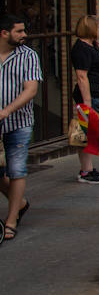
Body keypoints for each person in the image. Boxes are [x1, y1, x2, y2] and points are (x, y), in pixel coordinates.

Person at [0, 14, 41, 246]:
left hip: (19, 122)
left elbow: (31, 89)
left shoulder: (28, 56)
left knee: (16, 169)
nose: (24, 35)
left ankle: (11, 219)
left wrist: (6, 110)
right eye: (19, 31)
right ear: (4, 33)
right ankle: (21, 203)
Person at [72, 14, 99, 185]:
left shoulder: (92, 47)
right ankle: (85, 170)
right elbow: (81, 76)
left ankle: (88, 168)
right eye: (98, 27)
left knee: (91, 132)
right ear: (90, 29)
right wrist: (87, 102)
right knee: (85, 133)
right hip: (91, 97)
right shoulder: (81, 49)